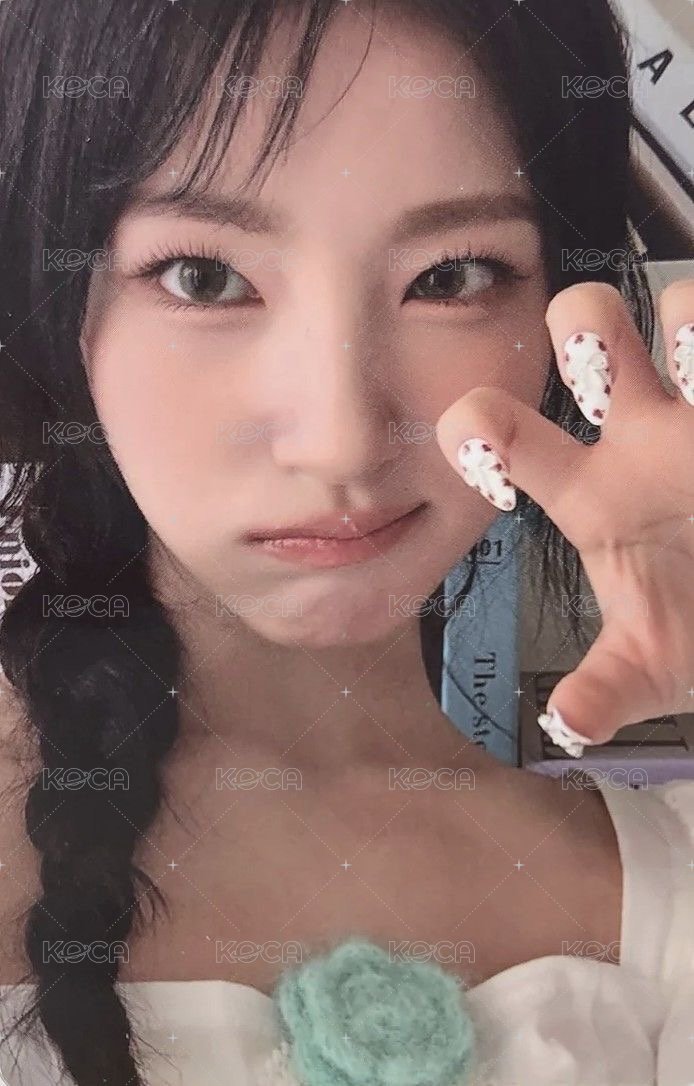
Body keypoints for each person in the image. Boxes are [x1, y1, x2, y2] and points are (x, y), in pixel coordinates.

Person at [0, 0, 692, 1083]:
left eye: (450, 277)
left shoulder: (664, 883)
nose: (343, 439)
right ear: (52, 306)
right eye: (203, 278)